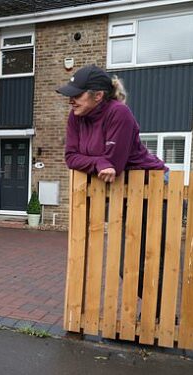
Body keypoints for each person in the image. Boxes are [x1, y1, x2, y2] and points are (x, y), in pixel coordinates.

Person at [57, 65, 168, 316]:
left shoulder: (120, 114)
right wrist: (98, 162)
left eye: (77, 93)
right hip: (124, 193)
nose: (71, 99)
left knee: (145, 261)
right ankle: (156, 312)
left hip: (152, 188)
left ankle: (158, 314)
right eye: (70, 93)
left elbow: (115, 165)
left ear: (98, 96)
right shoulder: (76, 116)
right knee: (125, 264)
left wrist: (104, 163)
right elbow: (71, 158)